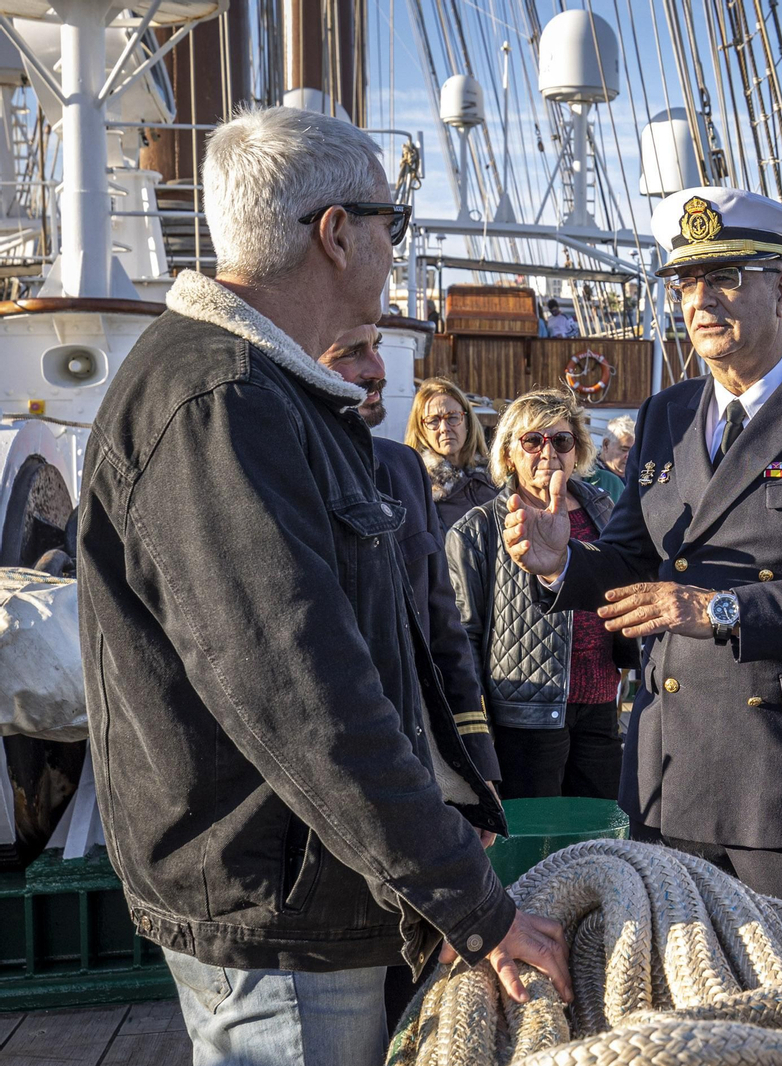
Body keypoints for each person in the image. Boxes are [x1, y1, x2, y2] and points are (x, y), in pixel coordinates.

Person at [77, 106, 570, 1066]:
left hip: (310, 886)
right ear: (338, 234)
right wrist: (470, 904)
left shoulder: (262, 394)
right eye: (394, 223)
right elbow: (303, 692)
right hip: (283, 922)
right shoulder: (221, 405)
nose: (395, 248)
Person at [501, 185, 782, 992]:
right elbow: (632, 563)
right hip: (671, 776)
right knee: (685, 1005)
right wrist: (562, 562)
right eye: (686, 283)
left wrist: (719, 609)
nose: (700, 300)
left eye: (725, 277)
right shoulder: (665, 415)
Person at [316, 326, 503, 1028]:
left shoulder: (400, 469)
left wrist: (477, 771)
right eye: (350, 354)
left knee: (418, 985)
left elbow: (443, 630)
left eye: (377, 352)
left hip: (424, 766)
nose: (377, 371)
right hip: (341, 775)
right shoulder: (286, 466)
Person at [448, 388, 623, 801]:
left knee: (599, 830)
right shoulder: (476, 530)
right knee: (534, 834)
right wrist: (476, 737)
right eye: (532, 440)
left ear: (577, 450)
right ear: (509, 453)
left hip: (601, 704)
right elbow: (463, 639)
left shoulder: (606, 511)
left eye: (561, 440)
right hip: (523, 716)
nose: (548, 452)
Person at [407, 377, 497, 531]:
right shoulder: (417, 488)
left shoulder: (495, 478)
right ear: (421, 430)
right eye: (433, 420)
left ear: (467, 422)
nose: (444, 428)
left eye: (453, 417)